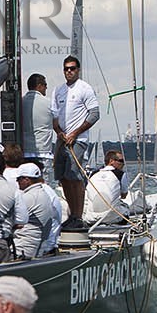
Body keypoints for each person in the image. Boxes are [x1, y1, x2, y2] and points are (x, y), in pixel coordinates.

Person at [51, 55, 100, 230]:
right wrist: (59, 131)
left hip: (78, 140)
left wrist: (75, 133)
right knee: (62, 177)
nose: (69, 71)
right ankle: (72, 214)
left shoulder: (85, 89)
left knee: (74, 175)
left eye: (72, 68)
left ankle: (78, 216)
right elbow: (54, 115)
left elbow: (94, 114)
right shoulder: (58, 90)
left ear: (78, 70)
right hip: (62, 139)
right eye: (66, 69)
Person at [12, 163, 55, 260]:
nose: (17, 181)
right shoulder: (43, 194)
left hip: (22, 249)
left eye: (19, 179)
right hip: (35, 249)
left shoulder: (29, 197)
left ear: (27, 180)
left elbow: (10, 220)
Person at [20, 73, 54, 180]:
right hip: (43, 153)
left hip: (25, 153)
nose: (46, 88)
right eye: (45, 85)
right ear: (39, 86)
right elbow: (58, 124)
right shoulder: (49, 103)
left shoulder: (20, 103)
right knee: (44, 186)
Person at [94, 149, 131, 222]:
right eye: (121, 161)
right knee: (125, 207)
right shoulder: (121, 175)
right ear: (111, 161)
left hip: (92, 217)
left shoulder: (93, 174)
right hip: (112, 217)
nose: (123, 164)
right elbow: (124, 196)